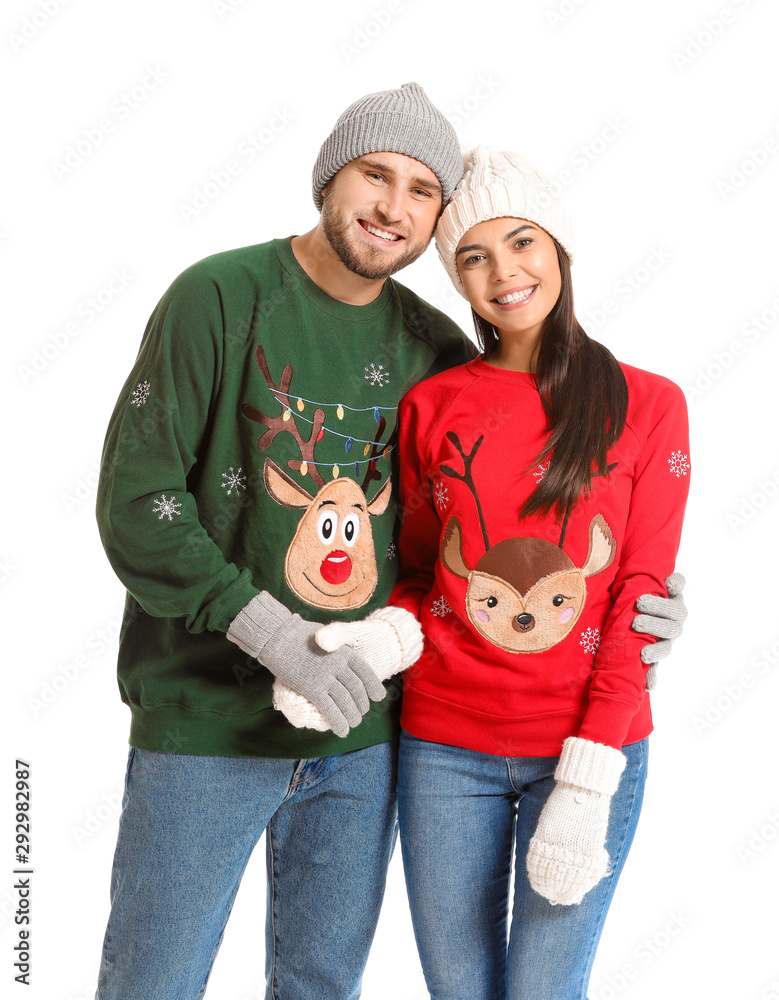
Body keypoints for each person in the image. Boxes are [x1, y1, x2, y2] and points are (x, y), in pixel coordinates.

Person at [93, 81, 686, 1000]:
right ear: (331, 178)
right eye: (375, 175)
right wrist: (275, 636)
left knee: (324, 982)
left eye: (421, 192)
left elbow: (486, 531)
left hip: (365, 737)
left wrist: (638, 601)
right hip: (204, 721)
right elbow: (138, 504)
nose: (392, 208)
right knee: (152, 982)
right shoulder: (217, 294)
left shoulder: (436, 348)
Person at [386, 148, 689, 999]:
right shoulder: (433, 406)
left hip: (585, 746)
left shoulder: (649, 402)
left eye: (520, 242)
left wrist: (589, 777)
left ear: (557, 248)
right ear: (455, 278)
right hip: (443, 747)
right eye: (471, 257)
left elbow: (639, 592)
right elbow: (414, 574)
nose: (501, 272)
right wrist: (377, 633)